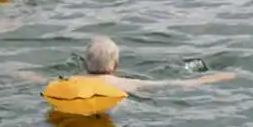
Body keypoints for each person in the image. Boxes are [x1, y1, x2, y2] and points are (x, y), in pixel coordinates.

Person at [82, 35, 236, 91]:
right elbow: (178, 85)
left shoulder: (68, 82)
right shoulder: (128, 84)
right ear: (116, 65)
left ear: (85, 63)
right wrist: (219, 77)